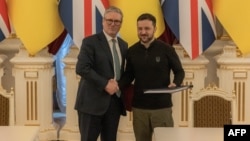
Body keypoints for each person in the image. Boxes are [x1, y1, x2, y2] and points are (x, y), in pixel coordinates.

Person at [119, 13, 185, 141]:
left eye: (147, 29)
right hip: (139, 108)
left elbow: (179, 71)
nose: (143, 32)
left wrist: (175, 83)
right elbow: (128, 75)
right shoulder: (131, 51)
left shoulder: (167, 49)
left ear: (154, 29)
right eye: (140, 29)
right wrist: (116, 85)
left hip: (162, 107)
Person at [75, 6, 128, 141]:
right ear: (103, 22)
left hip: (114, 104)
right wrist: (105, 84)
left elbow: (121, 72)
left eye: (117, 21)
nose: (112, 24)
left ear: (121, 24)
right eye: (109, 20)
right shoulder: (90, 42)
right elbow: (82, 68)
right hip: (91, 104)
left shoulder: (123, 44)